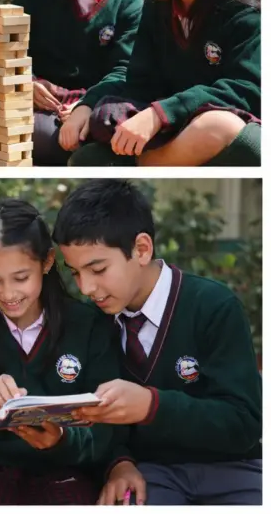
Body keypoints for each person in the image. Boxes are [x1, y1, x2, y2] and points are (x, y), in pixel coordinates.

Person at [54, 179, 261, 505]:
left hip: (234, 469)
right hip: (151, 475)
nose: (86, 288)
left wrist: (152, 406)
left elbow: (244, 424)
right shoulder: (93, 323)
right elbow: (99, 429)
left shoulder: (214, 307)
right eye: (75, 273)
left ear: (141, 249)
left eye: (98, 269)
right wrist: (118, 464)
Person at [0, 199, 119, 504]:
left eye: (21, 278)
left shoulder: (89, 326)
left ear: (47, 262)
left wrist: (61, 440)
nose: (8, 294)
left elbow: (108, 433)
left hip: (65, 473)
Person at [62, 0, 260, 166]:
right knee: (88, 158)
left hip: (224, 136)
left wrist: (161, 113)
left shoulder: (247, 15)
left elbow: (247, 91)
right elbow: (139, 81)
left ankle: (147, 165)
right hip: (172, 131)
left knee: (218, 127)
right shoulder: (157, 6)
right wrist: (88, 103)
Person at [10, 0, 143, 165]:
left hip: (98, 103)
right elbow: (10, 49)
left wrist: (86, 105)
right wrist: (27, 82)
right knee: (41, 133)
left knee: (108, 126)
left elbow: (124, 71)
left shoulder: (129, 4)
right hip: (41, 103)